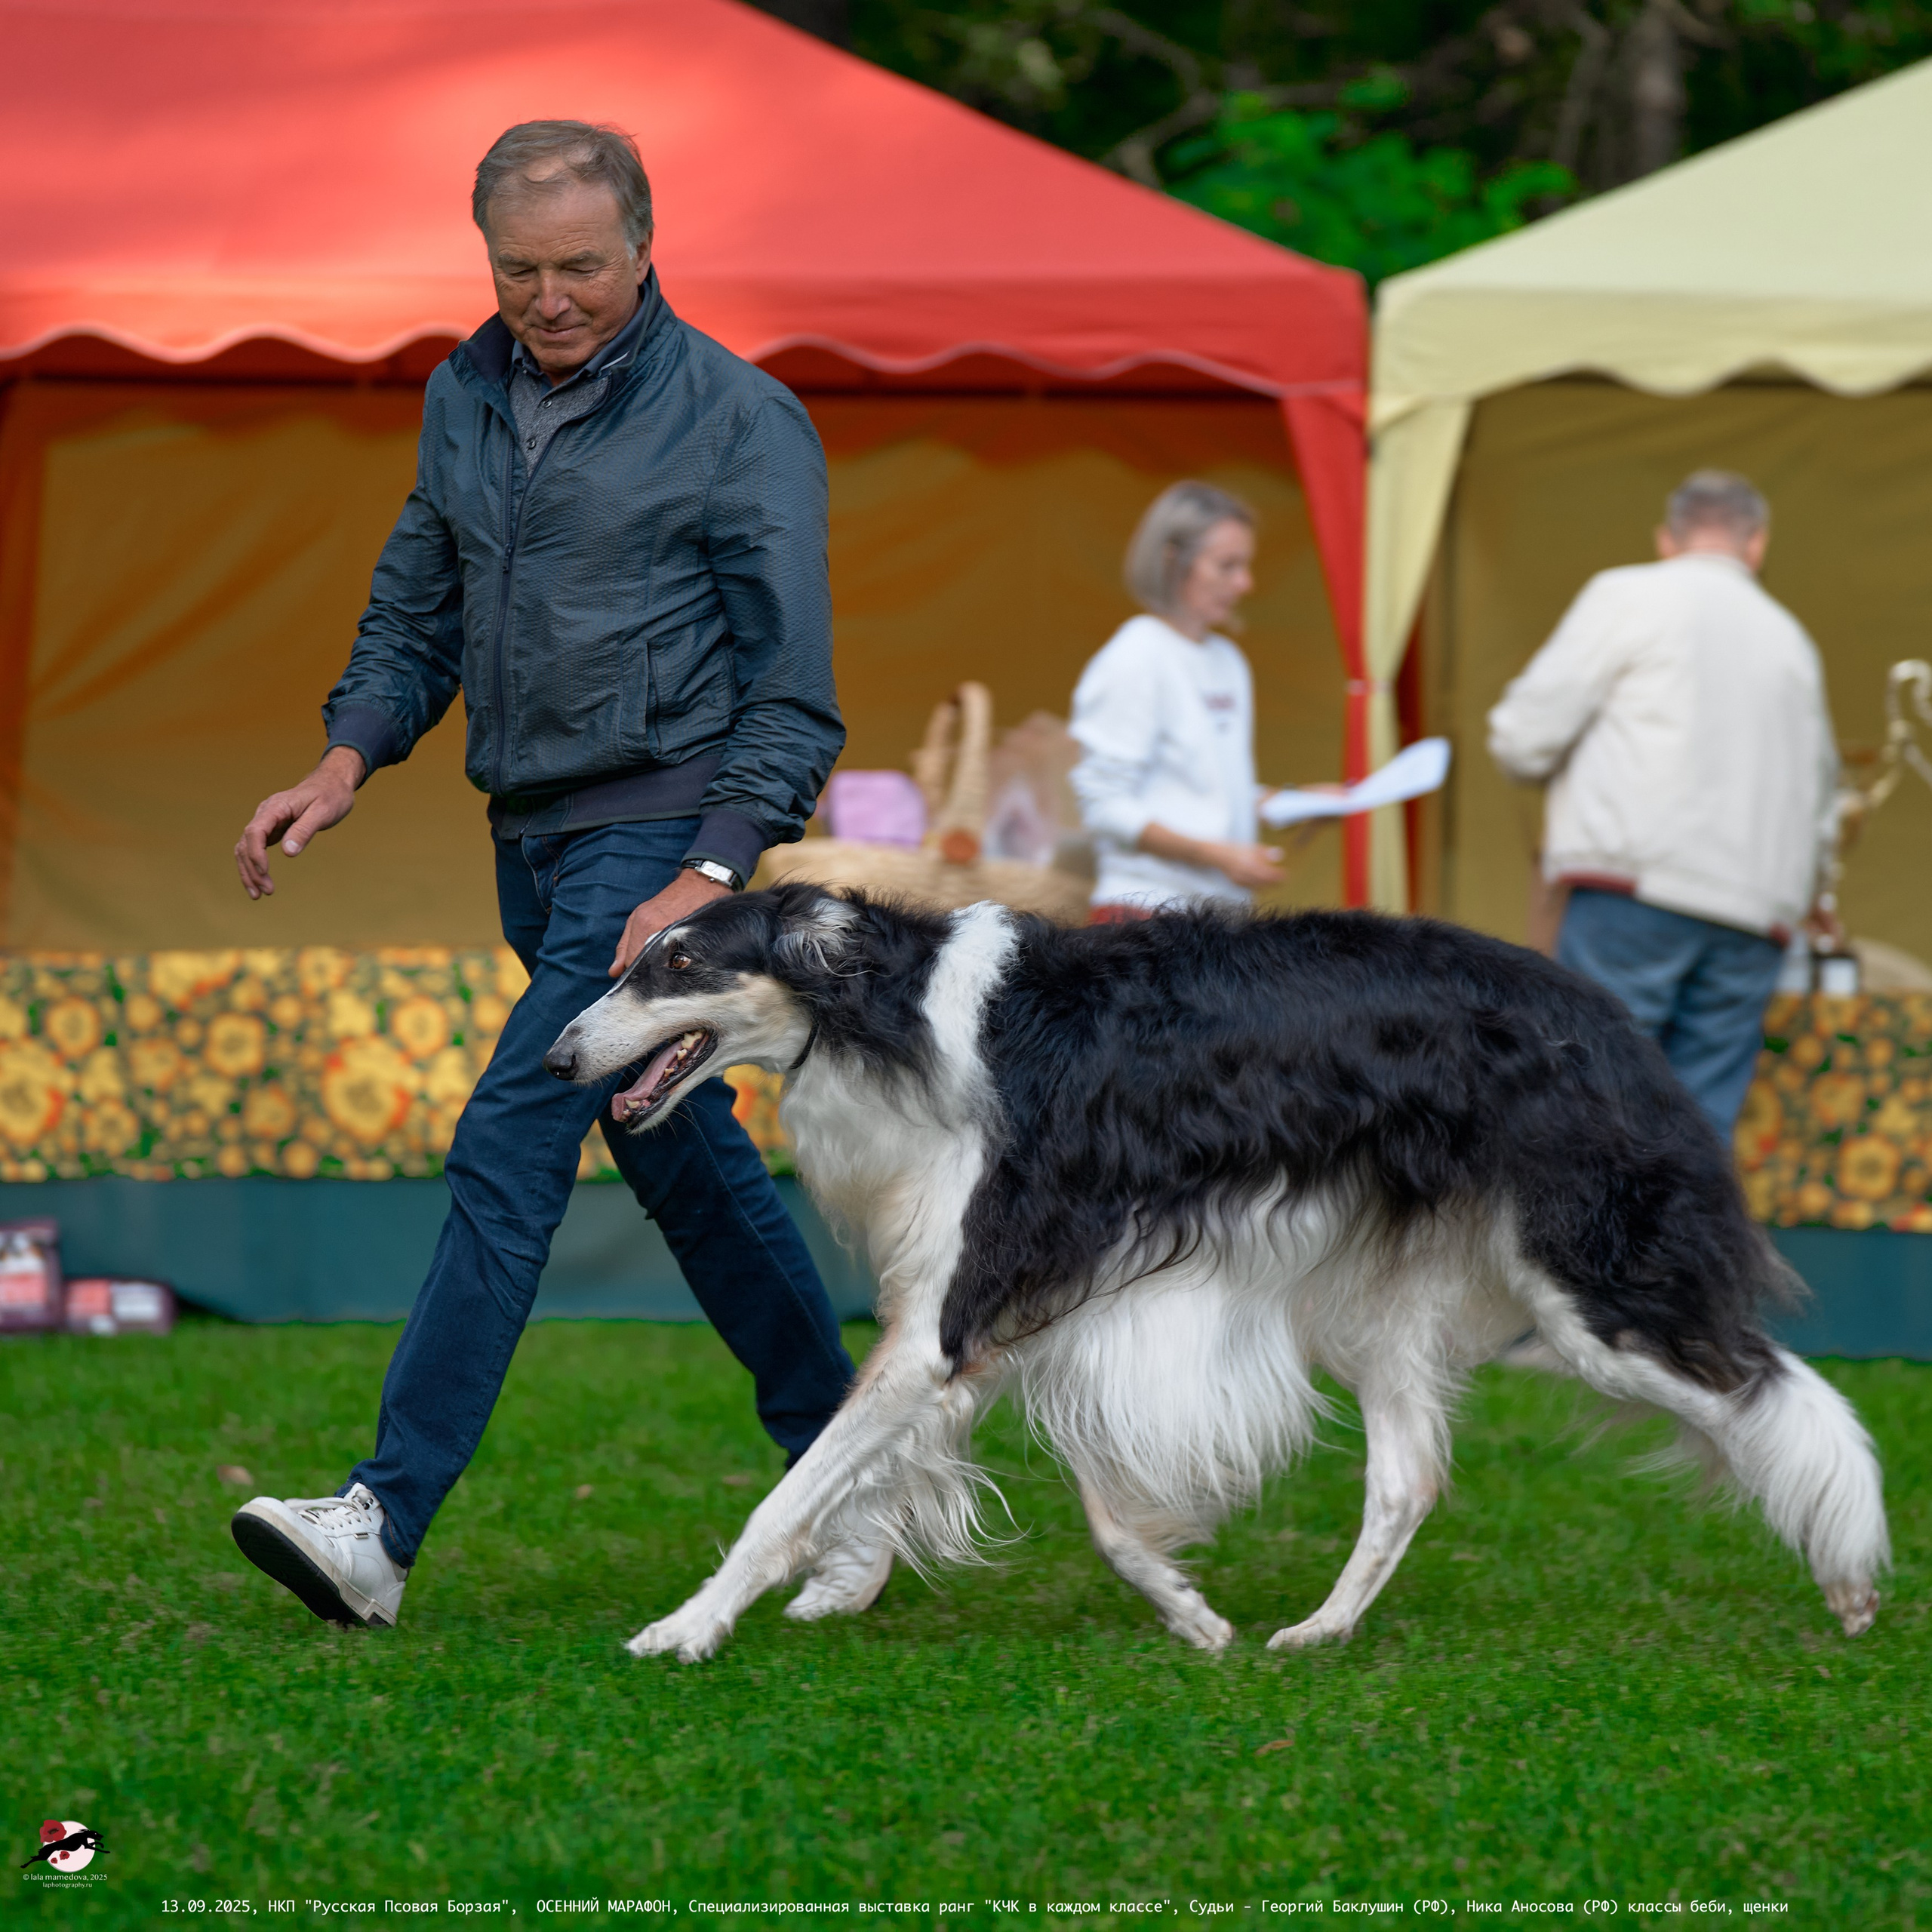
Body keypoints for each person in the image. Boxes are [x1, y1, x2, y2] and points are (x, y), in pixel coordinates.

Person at [226, 122, 886, 1631]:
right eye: (520, 269)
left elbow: (792, 695)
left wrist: (705, 865)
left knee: (515, 1123)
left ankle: (380, 1520)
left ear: (646, 246)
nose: (552, 297)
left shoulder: (740, 417)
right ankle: (851, 1472)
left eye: (582, 265)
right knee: (686, 1162)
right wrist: (343, 759)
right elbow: (414, 615)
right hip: (526, 836)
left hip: (661, 832)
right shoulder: (461, 396)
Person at [1487, 469, 1838, 1143]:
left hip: (1636, 888)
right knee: (1700, 1130)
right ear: (1756, 544)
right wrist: (1816, 886)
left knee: (1597, 1103)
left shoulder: (1629, 595)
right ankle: (1686, 1253)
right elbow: (1822, 790)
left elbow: (1525, 737)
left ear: (1667, 538)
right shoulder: (1792, 640)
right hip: (1755, 911)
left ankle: (1591, 1251)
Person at [1069, 481, 1289, 919]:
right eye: (1227, 566)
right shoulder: (1135, 655)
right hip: (1145, 916)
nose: (1245, 583)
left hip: (1215, 920)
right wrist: (1215, 855)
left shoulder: (1227, 659)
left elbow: (1202, 790)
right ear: (1173, 559)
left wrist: (1294, 803)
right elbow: (1104, 805)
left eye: (1245, 566)